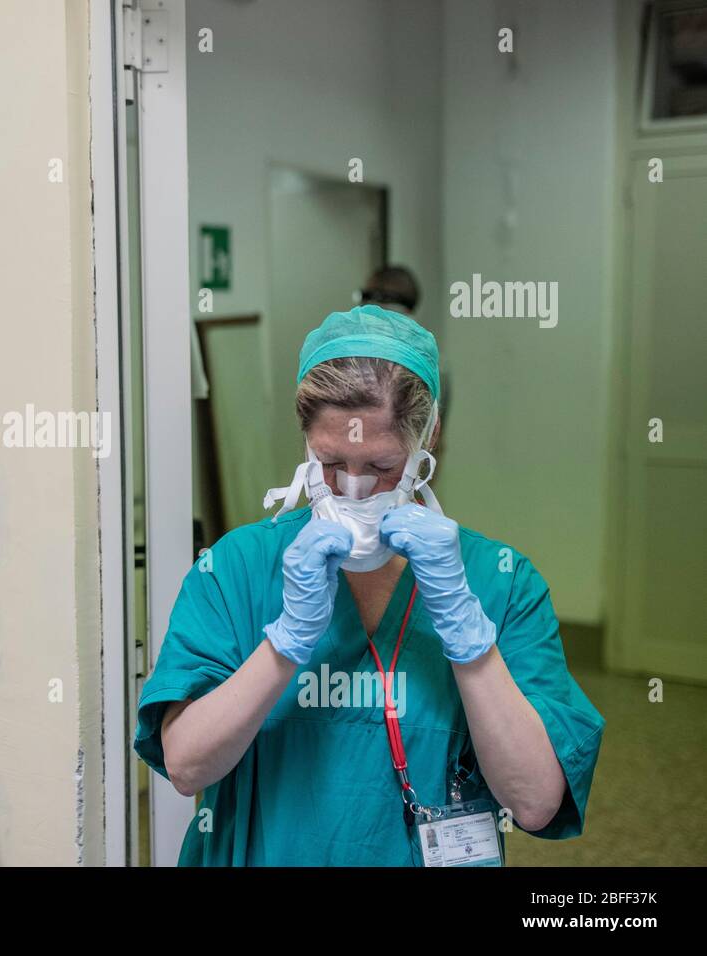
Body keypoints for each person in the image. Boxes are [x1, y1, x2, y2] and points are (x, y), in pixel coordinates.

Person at [134, 305, 603, 866]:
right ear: (306, 442)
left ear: (427, 441)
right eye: (331, 461)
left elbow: (535, 802)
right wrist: (284, 645)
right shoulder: (239, 567)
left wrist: (470, 639)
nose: (353, 490)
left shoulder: (499, 581)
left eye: (380, 466)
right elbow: (186, 767)